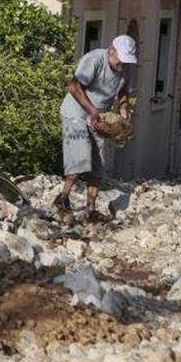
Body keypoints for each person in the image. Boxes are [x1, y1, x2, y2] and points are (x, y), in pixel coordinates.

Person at [54, 34, 137, 223]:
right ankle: (62, 200)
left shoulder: (124, 67)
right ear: (111, 50)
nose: (121, 64)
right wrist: (92, 111)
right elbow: (74, 87)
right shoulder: (94, 60)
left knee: (98, 165)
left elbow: (123, 90)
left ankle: (90, 210)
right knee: (80, 158)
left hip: (99, 118)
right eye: (119, 59)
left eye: (125, 61)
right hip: (75, 113)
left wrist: (124, 107)